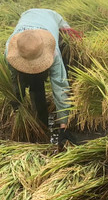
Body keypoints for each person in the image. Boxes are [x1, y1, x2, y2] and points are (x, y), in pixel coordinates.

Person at [5, 8, 77, 149]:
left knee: (66, 63)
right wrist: (18, 106)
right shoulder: (10, 51)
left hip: (53, 19)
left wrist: (64, 125)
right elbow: (14, 79)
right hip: (27, 14)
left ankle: (58, 111)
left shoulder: (54, 51)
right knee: (31, 80)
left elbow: (60, 85)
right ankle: (38, 112)